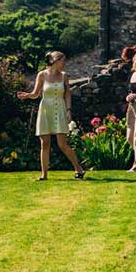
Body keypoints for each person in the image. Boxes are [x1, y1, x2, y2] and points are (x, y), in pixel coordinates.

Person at [18, 51, 87, 181]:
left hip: (60, 109)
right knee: (44, 143)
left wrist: (68, 110)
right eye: (63, 60)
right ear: (56, 61)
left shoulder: (64, 76)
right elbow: (36, 94)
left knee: (62, 144)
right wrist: (27, 95)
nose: (65, 63)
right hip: (45, 110)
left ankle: (79, 169)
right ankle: (44, 175)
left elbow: (67, 94)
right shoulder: (42, 75)